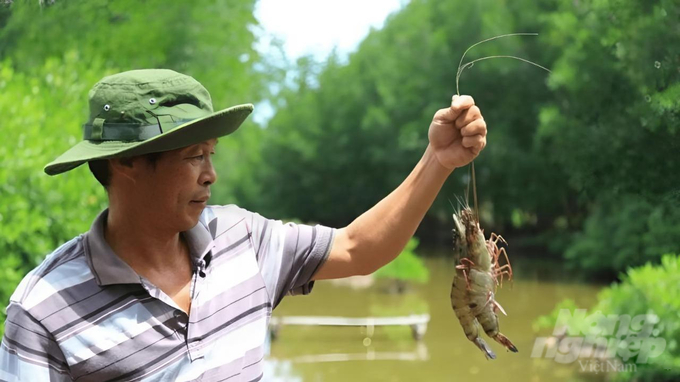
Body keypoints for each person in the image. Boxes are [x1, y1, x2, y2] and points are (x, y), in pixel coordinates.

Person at [0, 69, 487, 381]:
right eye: (193, 156)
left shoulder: (243, 239)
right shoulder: (43, 310)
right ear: (126, 164)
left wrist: (438, 161)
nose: (211, 174)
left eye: (211, 154)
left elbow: (359, 248)